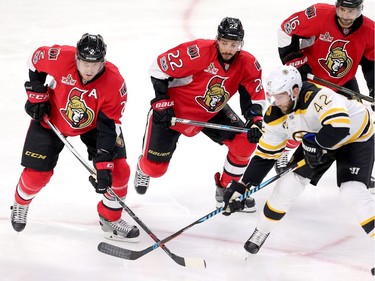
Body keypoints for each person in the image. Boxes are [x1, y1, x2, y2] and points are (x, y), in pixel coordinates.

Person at [223, 65, 374, 274]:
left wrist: (316, 144)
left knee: (352, 192)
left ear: (295, 90)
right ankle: (261, 231)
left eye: (282, 96)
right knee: (286, 187)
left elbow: (340, 127)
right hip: (317, 139)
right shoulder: (276, 115)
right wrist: (242, 185)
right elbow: (266, 156)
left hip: (354, 137)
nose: (278, 102)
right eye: (274, 96)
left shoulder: (317, 97)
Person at [10, 33, 140, 242]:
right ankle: (20, 203)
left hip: (94, 125)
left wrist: (104, 163)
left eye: (95, 64)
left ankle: (110, 219)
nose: (89, 69)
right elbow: (34, 61)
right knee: (36, 176)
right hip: (51, 118)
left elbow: (108, 127)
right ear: (77, 58)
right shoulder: (61, 58)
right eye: (84, 63)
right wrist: (36, 93)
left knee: (119, 171)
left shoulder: (114, 83)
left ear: (103, 62)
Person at [134, 17, 266, 211]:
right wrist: (162, 103)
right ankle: (142, 167)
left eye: (234, 44)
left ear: (241, 44)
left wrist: (255, 120)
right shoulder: (197, 52)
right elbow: (158, 68)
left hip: (211, 111)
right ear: (217, 40)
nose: (229, 49)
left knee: (245, 142)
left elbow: (253, 95)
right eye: (225, 43)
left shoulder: (248, 63)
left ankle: (227, 189)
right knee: (155, 169)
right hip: (174, 112)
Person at [274, 0, 374, 175]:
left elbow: (372, 65)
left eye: (351, 11)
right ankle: (285, 152)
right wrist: (294, 62)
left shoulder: (370, 31)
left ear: (360, 10)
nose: (345, 16)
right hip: (310, 81)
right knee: (301, 122)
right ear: (337, 6)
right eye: (342, 9)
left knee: (360, 121)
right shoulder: (318, 14)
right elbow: (285, 29)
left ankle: (359, 170)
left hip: (342, 82)